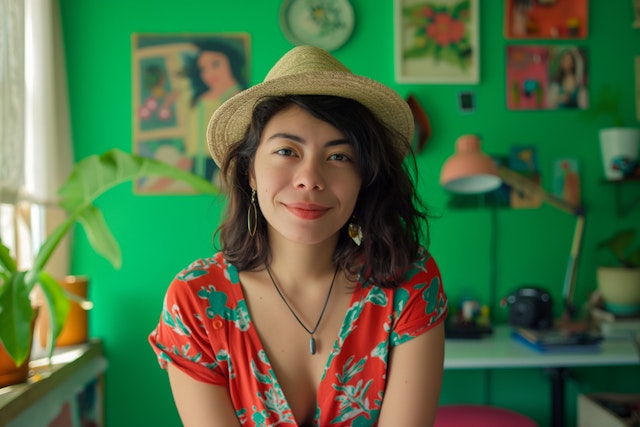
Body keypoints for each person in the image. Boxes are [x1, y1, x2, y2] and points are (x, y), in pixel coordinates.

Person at [149, 45, 448, 427]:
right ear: (250, 173)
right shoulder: (195, 302)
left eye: (339, 156)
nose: (311, 177)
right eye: (287, 151)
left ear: (365, 179)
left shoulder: (409, 281)